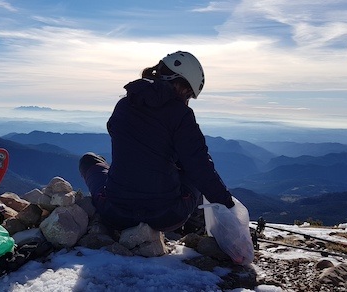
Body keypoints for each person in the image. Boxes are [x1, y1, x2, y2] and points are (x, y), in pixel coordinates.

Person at [79, 51, 235, 234]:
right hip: (166, 216)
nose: (188, 101)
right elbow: (200, 167)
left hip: (115, 213)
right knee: (192, 169)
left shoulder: (124, 105)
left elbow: (115, 132)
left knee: (89, 160)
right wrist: (228, 204)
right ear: (182, 86)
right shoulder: (181, 115)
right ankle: (193, 228)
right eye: (189, 95)